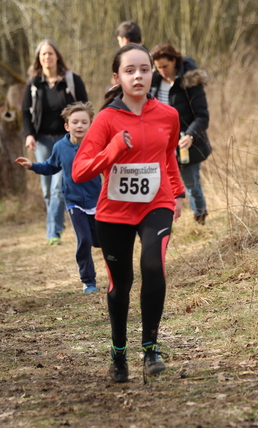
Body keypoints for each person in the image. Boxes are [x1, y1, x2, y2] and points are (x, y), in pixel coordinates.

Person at [72, 44, 185, 383]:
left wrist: (178, 192)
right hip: (114, 212)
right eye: (130, 70)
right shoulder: (106, 119)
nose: (138, 76)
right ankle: (118, 354)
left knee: (153, 266)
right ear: (117, 77)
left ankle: (151, 349)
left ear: (152, 74)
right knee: (120, 285)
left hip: (156, 204)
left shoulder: (168, 115)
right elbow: (80, 171)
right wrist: (114, 149)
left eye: (144, 69)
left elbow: (168, 157)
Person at [16, 102, 101, 293]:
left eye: (84, 122)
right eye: (75, 122)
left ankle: (116, 273)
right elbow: (50, 166)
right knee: (84, 240)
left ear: (91, 125)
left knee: (100, 241)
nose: (79, 126)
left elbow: (108, 167)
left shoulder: (97, 145)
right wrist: (32, 165)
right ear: (67, 126)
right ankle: (89, 280)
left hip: (97, 201)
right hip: (74, 203)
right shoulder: (61, 147)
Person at [22, 39, 89, 245]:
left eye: (50, 53)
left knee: (58, 187)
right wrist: (29, 134)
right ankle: (57, 224)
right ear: (38, 58)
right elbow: (25, 112)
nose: (47, 57)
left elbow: (85, 106)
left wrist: (81, 132)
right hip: (42, 141)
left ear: (57, 56)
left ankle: (53, 232)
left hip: (66, 141)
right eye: (43, 54)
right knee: (46, 188)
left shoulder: (71, 80)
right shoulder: (33, 84)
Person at [150, 43, 212, 225]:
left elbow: (202, 116)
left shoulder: (189, 82)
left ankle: (200, 219)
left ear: (174, 61)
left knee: (192, 186)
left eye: (165, 66)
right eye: (158, 67)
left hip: (186, 144)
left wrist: (190, 136)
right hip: (161, 143)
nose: (162, 71)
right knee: (162, 186)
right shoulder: (153, 83)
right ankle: (164, 223)